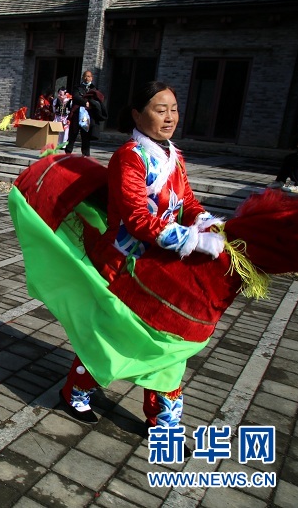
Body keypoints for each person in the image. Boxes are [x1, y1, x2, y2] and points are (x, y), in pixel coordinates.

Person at [58, 81, 225, 436]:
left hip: (164, 260)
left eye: (174, 110)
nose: (169, 117)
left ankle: (163, 422)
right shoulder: (129, 156)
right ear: (137, 114)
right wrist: (192, 240)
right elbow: (136, 218)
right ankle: (77, 390)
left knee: (171, 341)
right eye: (160, 109)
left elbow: (187, 201)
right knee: (112, 335)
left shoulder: (174, 156)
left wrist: (206, 222)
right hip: (125, 261)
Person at [64, 70, 107, 156]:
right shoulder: (77, 87)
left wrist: (91, 103)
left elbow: (97, 100)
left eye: (88, 76)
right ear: (83, 77)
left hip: (88, 116)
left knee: (86, 137)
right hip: (77, 114)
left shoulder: (94, 89)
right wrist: (85, 102)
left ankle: (86, 155)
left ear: (91, 78)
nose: (87, 78)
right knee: (72, 135)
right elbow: (76, 97)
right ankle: (67, 154)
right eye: (85, 76)